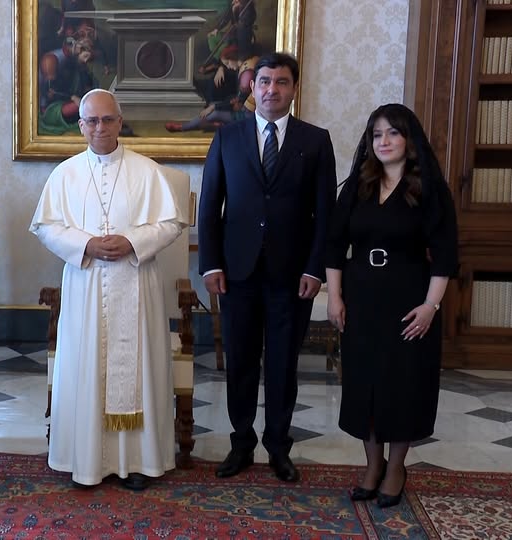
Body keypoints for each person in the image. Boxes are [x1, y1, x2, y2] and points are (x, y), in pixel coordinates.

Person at [30, 89, 188, 491]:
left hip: (137, 282)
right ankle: (85, 462)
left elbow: (171, 223)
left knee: (140, 370)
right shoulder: (65, 174)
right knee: (85, 368)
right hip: (85, 285)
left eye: (107, 119)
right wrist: (86, 245)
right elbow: (45, 225)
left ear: (120, 122)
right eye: (91, 121)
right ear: (80, 126)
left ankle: (138, 462)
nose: (99, 127)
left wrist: (132, 241)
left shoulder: (147, 171)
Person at [198, 52, 337, 482]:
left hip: (292, 276)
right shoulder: (227, 137)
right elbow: (210, 205)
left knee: (282, 365)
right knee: (240, 361)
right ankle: (241, 444)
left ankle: (278, 446)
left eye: (281, 82)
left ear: (293, 89)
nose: (271, 89)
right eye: (264, 81)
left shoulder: (315, 141)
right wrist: (210, 264)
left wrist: (315, 270)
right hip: (236, 273)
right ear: (252, 88)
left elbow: (325, 214)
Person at [325, 103, 458, 508]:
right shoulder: (358, 185)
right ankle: (372, 465)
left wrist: (431, 306)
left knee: (403, 384)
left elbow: (446, 254)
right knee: (364, 381)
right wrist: (335, 296)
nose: (383, 141)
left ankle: (396, 467)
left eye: (393, 133)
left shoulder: (429, 189)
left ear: (409, 139)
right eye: (376, 134)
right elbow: (334, 245)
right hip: (361, 297)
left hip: (410, 299)